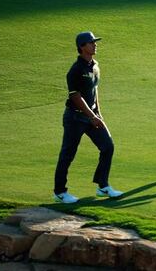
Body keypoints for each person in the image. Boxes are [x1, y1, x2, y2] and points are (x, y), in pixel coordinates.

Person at [53, 31, 123, 203]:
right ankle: (60, 192)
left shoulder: (95, 65)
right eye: (91, 43)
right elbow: (75, 96)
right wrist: (92, 116)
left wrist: (98, 114)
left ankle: (103, 186)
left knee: (108, 146)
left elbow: (94, 90)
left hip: (92, 117)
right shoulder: (75, 70)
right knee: (68, 154)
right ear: (82, 47)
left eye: (95, 42)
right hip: (75, 118)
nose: (95, 45)